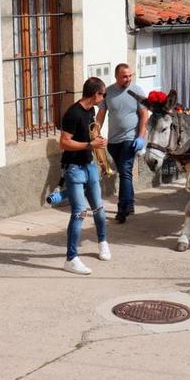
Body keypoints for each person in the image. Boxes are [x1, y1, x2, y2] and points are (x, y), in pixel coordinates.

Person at [59, 77, 111, 275]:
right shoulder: (72, 113)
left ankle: (103, 242)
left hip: (89, 166)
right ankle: (71, 259)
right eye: (102, 94)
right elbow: (64, 143)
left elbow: (91, 132)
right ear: (94, 94)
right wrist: (90, 145)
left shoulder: (92, 111)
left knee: (99, 208)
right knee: (80, 213)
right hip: (74, 169)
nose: (103, 98)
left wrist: (97, 139)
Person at [96, 64, 147, 223]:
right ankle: (130, 204)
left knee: (125, 172)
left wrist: (141, 136)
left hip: (130, 139)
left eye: (130, 75)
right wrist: (95, 133)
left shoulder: (137, 91)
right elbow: (101, 115)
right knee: (126, 174)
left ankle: (122, 209)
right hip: (113, 141)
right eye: (125, 76)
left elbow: (144, 115)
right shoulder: (108, 93)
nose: (128, 79)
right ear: (116, 76)